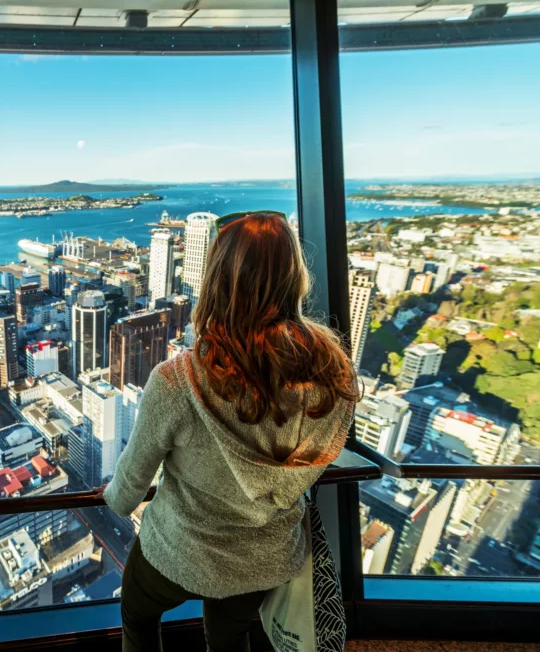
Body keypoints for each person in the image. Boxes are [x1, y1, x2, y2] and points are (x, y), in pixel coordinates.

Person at [98, 211, 358, 652]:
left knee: (138, 618)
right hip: (265, 558)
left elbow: (127, 493)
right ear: (295, 275)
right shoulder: (333, 378)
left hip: (178, 550)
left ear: (216, 277)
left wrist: (111, 497)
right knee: (230, 637)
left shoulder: (177, 381)